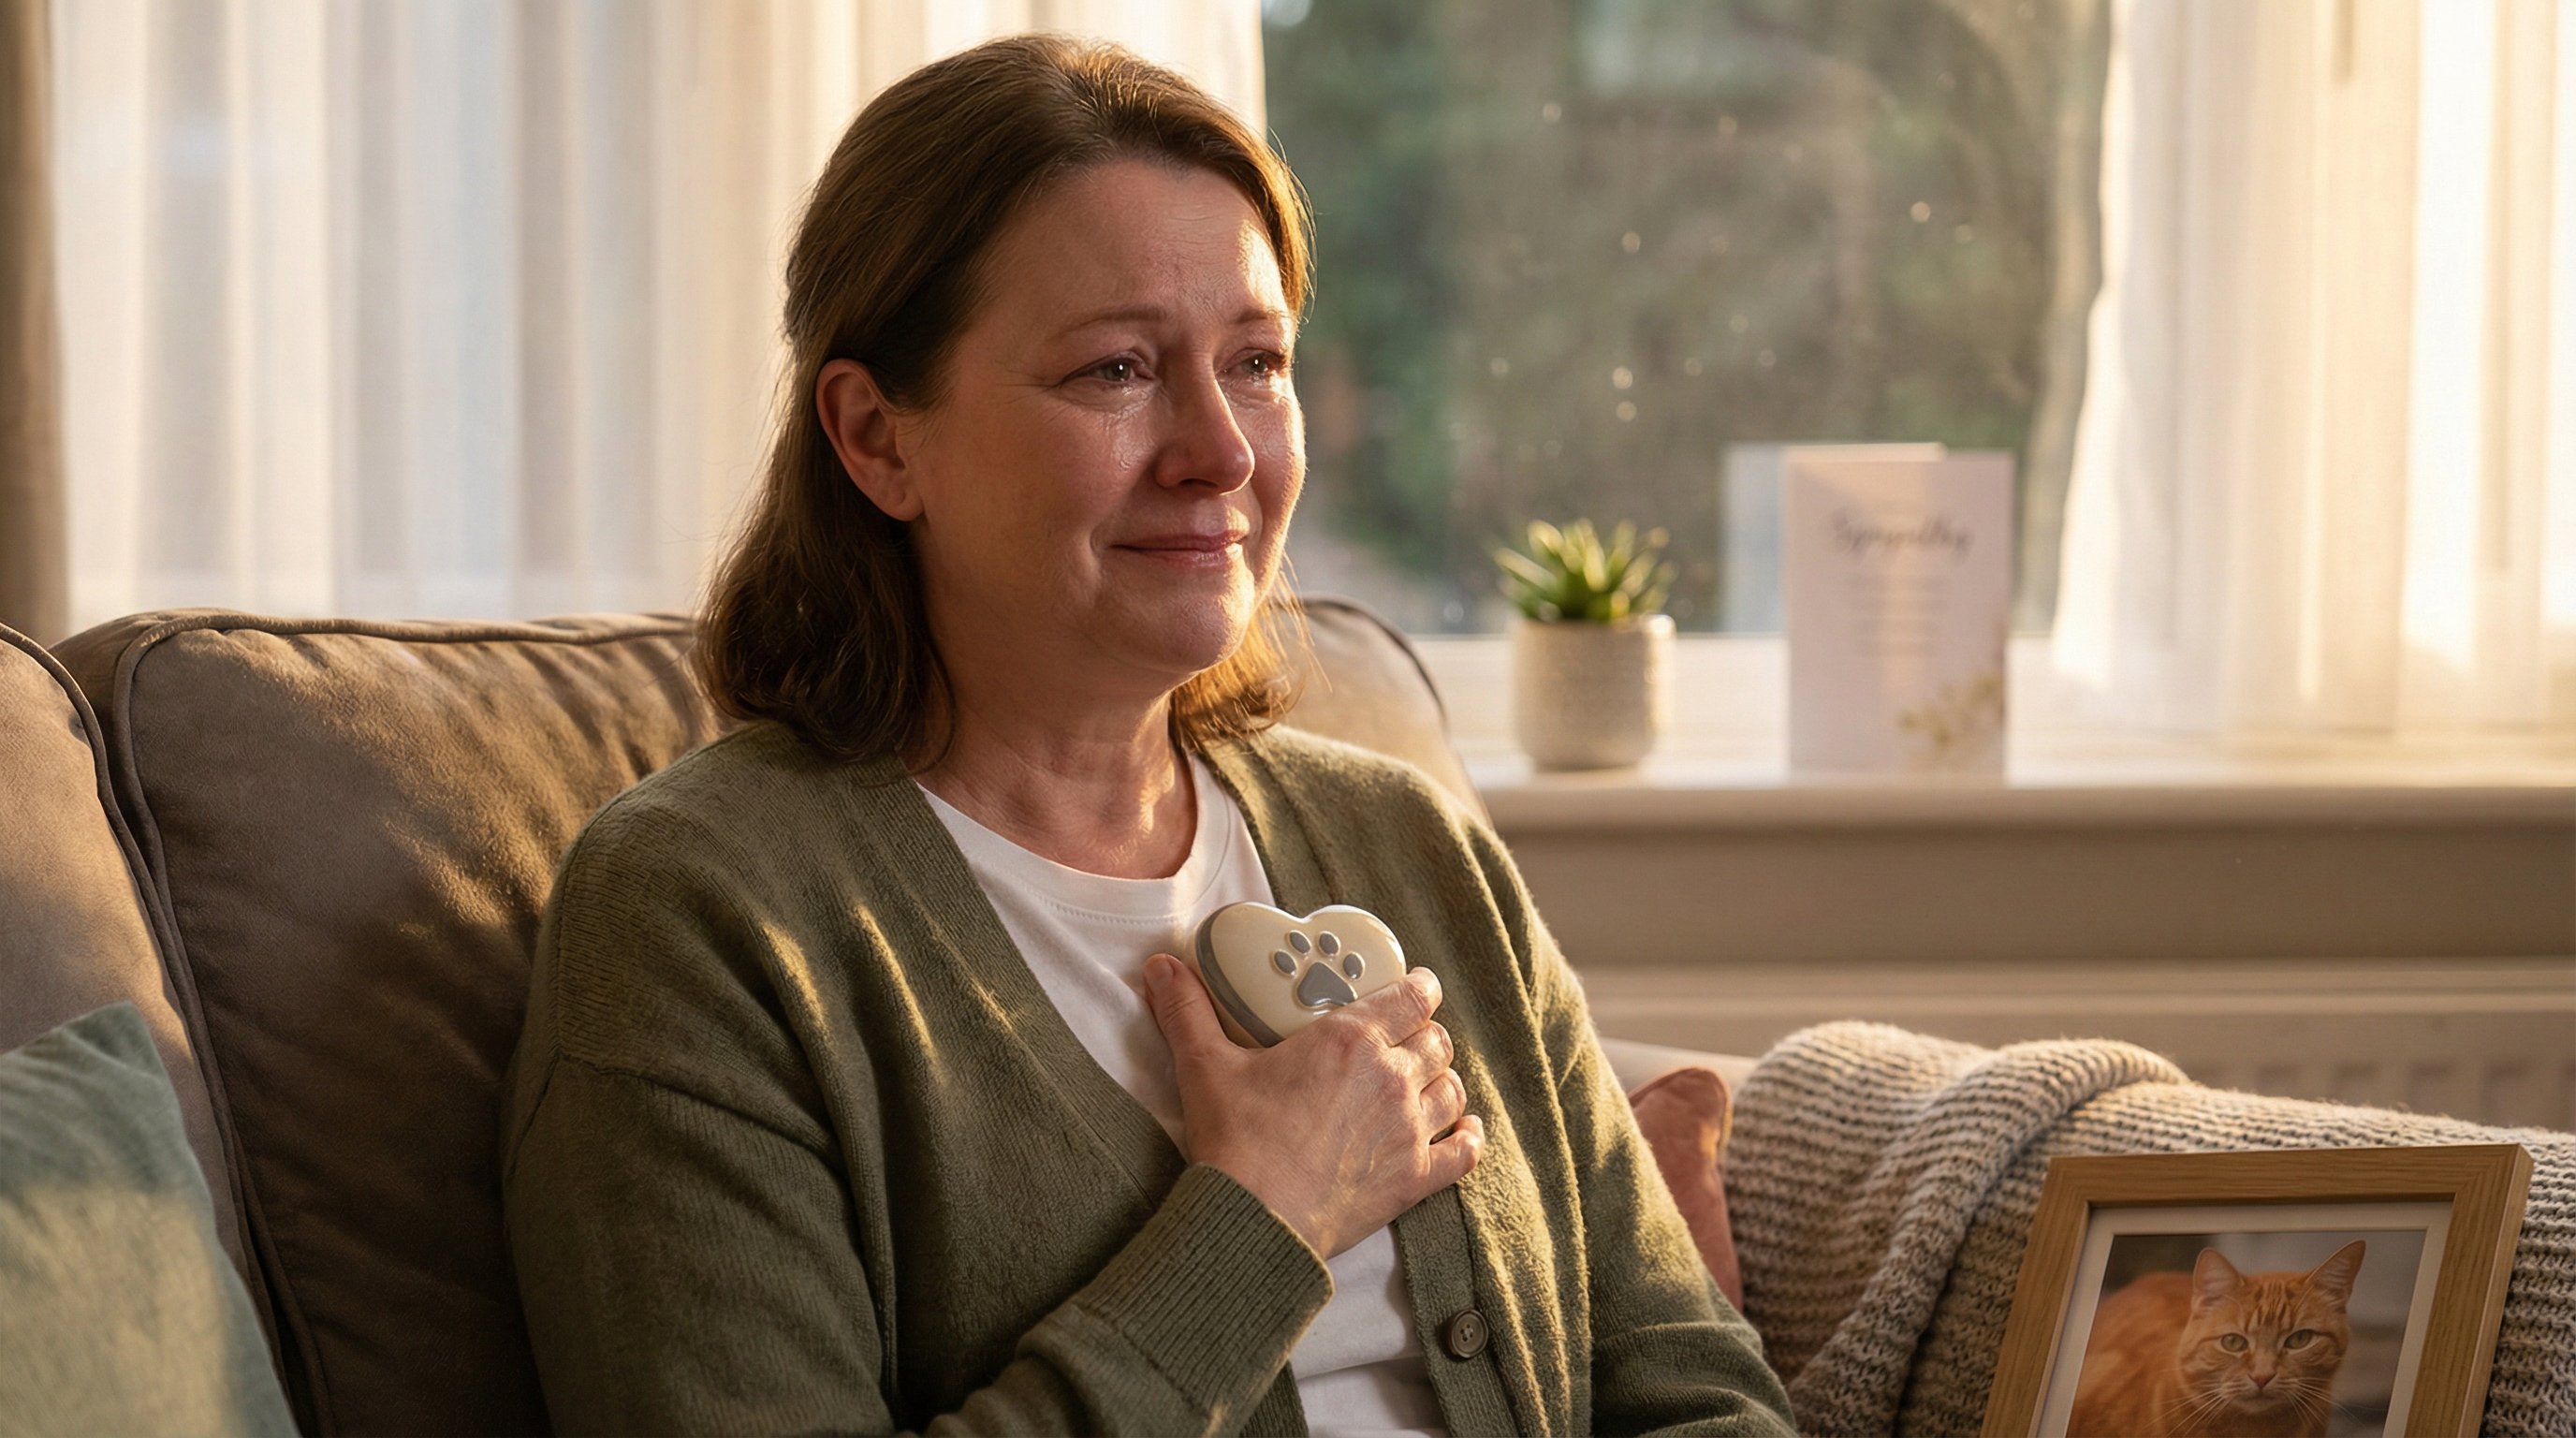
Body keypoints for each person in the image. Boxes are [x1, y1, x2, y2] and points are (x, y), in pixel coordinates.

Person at [498, 33, 1794, 1438]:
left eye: (1256, 362)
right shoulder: (703, 918)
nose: (1221, 453)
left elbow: (1695, 1389)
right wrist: (1261, 1220)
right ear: (877, 440)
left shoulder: (1405, 841)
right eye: (1117, 370)